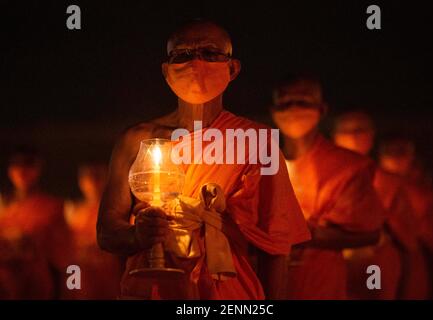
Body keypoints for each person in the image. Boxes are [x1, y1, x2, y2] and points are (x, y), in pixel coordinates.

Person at [97, 20, 310, 300]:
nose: (196, 62)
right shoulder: (137, 140)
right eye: (183, 55)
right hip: (154, 288)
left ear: (233, 69)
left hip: (227, 291)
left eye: (210, 53)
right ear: (167, 71)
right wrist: (139, 236)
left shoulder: (257, 142)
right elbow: (107, 232)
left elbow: (277, 245)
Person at [270, 74, 384, 299]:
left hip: (321, 283)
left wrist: (309, 234)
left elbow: (370, 233)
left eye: (302, 101)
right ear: (273, 111)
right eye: (285, 103)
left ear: (321, 109)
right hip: (270, 284)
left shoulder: (347, 166)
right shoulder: (262, 165)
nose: (293, 109)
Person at [333, 111, 428, 299]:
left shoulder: (387, 183)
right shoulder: (324, 179)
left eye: (360, 130)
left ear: (371, 136)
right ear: (335, 136)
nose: (353, 136)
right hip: (333, 270)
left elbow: (409, 240)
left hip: (375, 269)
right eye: (347, 130)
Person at [379, 136, 433, 298]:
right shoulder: (373, 185)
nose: (396, 158)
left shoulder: (426, 194)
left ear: (412, 156)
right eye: (390, 152)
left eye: (401, 152)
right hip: (380, 262)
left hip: (417, 260)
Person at [0, 146, 73, 299]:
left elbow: (65, 258)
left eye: (28, 165)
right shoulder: (3, 207)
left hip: (34, 287)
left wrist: (72, 289)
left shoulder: (52, 207)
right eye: (16, 165)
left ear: (38, 169)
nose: (22, 171)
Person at [64, 163, 122, 299]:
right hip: (80, 275)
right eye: (88, 176)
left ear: (106, 179)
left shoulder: (115, 211)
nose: (93, 182)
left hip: (107, 275)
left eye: (98, 176)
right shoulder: (73, 212)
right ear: (81, 181)